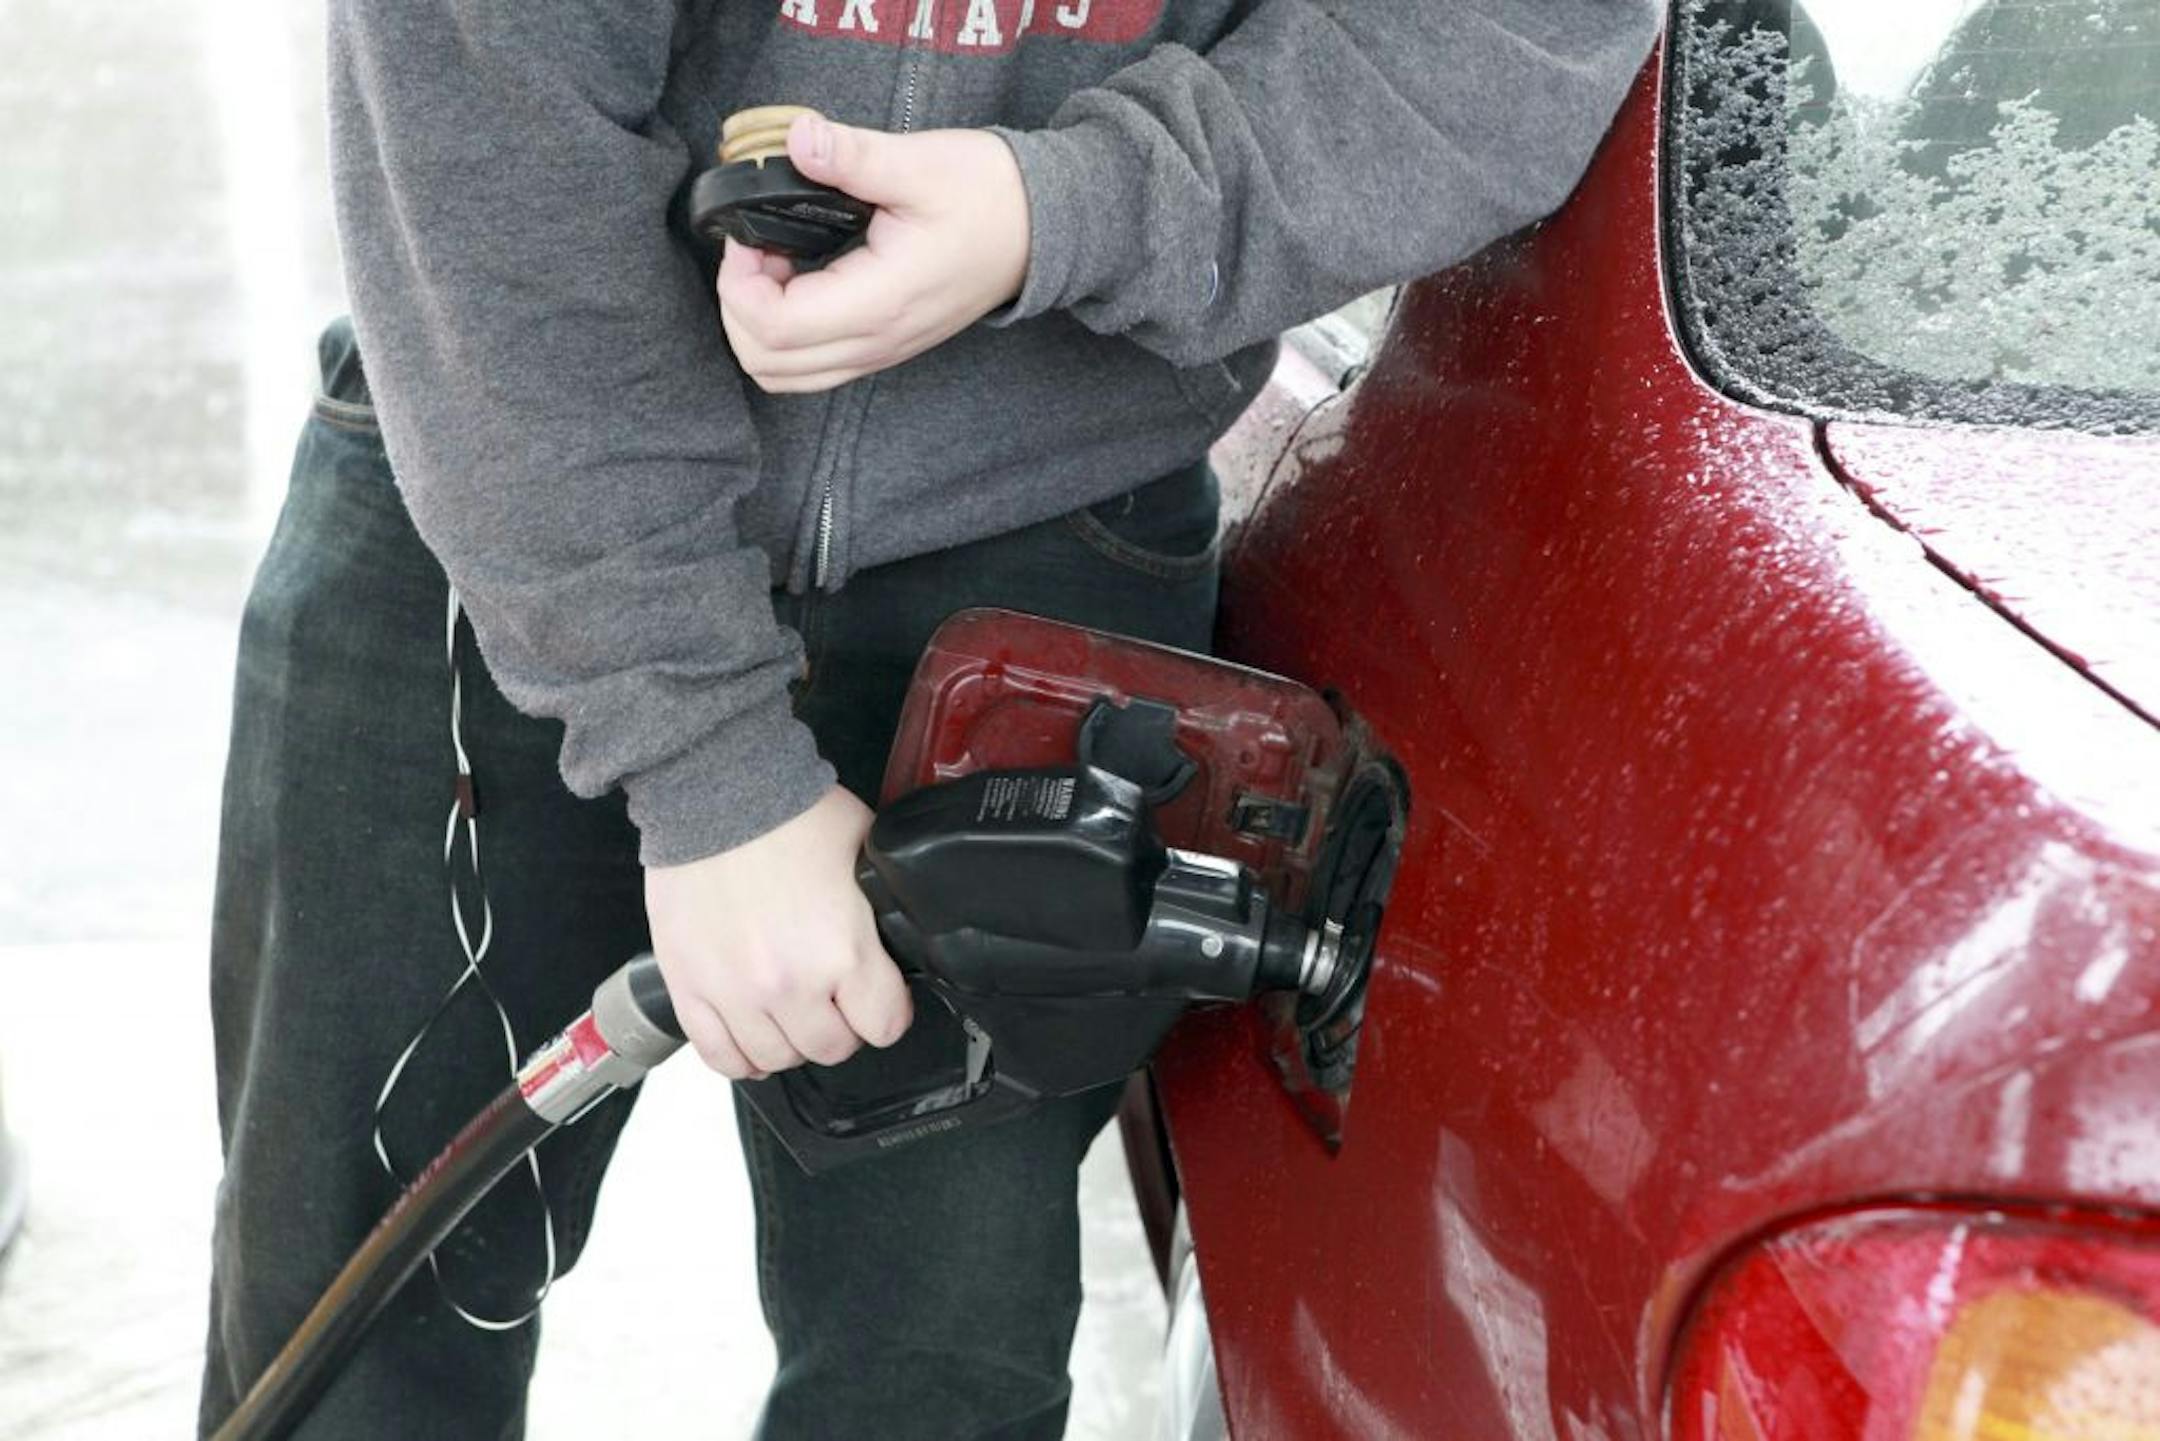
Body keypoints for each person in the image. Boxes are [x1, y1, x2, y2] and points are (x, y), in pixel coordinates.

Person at [199, 2, 1660, 1436]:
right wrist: (701, 752)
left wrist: (1059, 208)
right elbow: (486, 104)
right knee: (351, 1347)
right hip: (510, 479)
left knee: (931, 1380)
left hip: (1042, 542)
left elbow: (1509, 31)